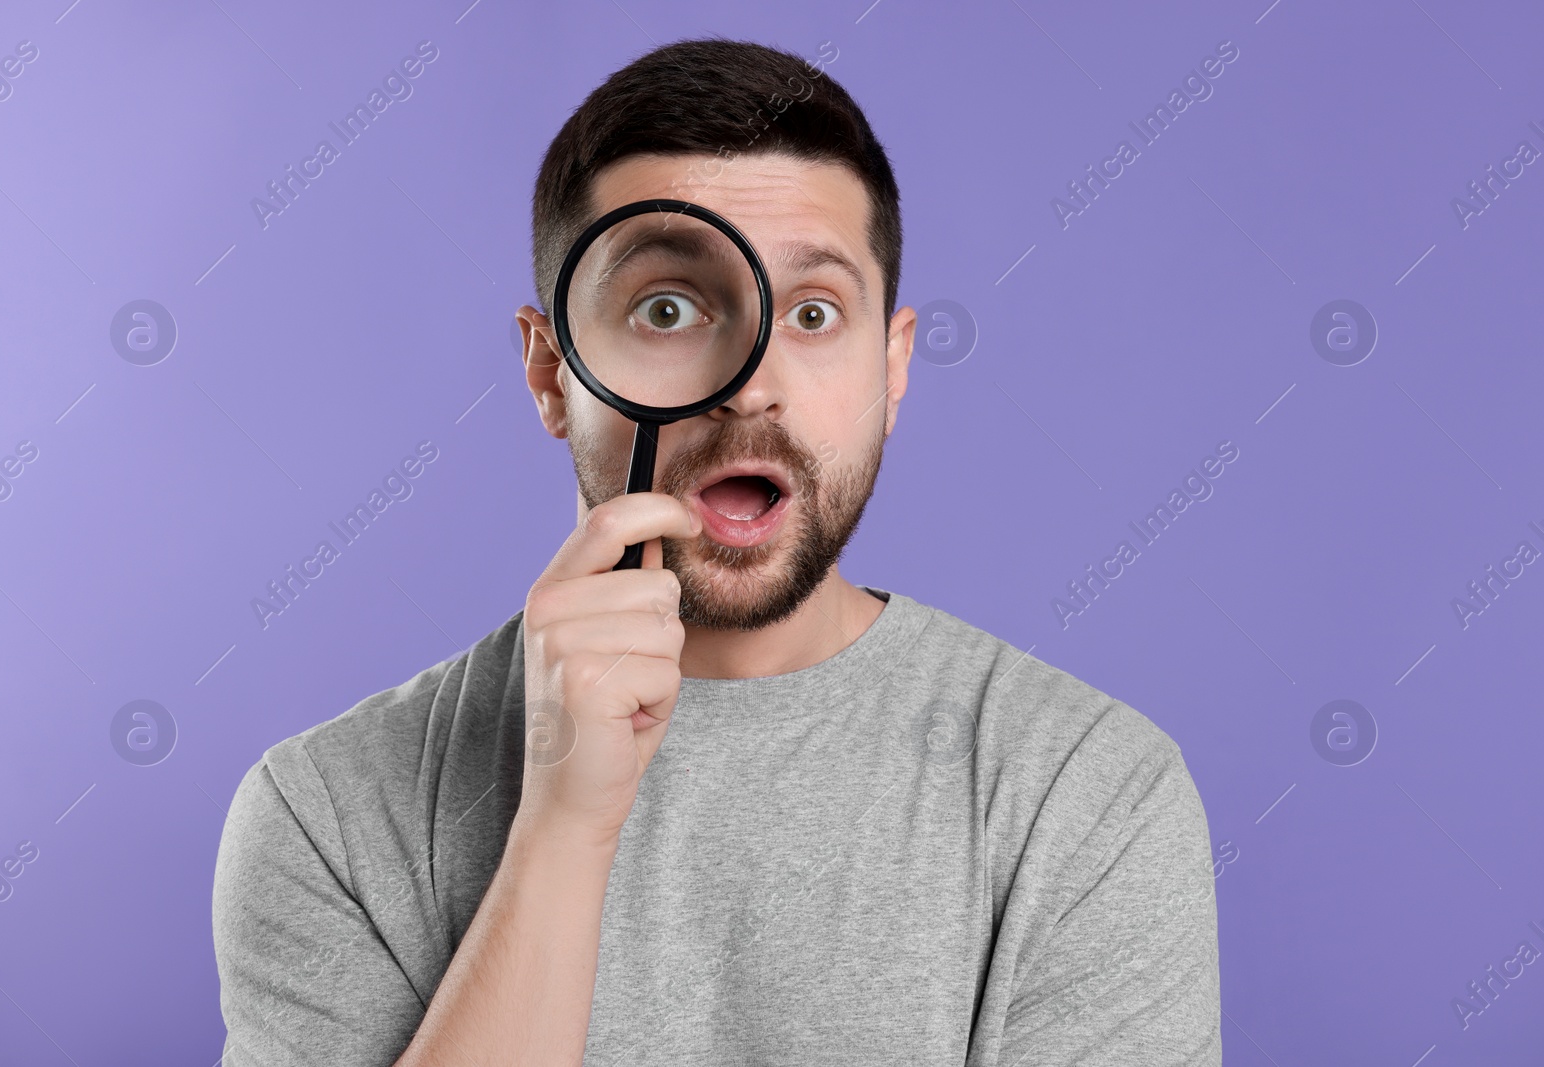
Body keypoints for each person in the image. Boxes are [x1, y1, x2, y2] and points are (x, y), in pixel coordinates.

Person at [211, 36, 1221, 1066]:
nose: (749, 383)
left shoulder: (1083, 792)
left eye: (815, 313)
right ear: (550, 370)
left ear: (894, 366)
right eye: (666, 308)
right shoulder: (330, 810)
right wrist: (562, 829)